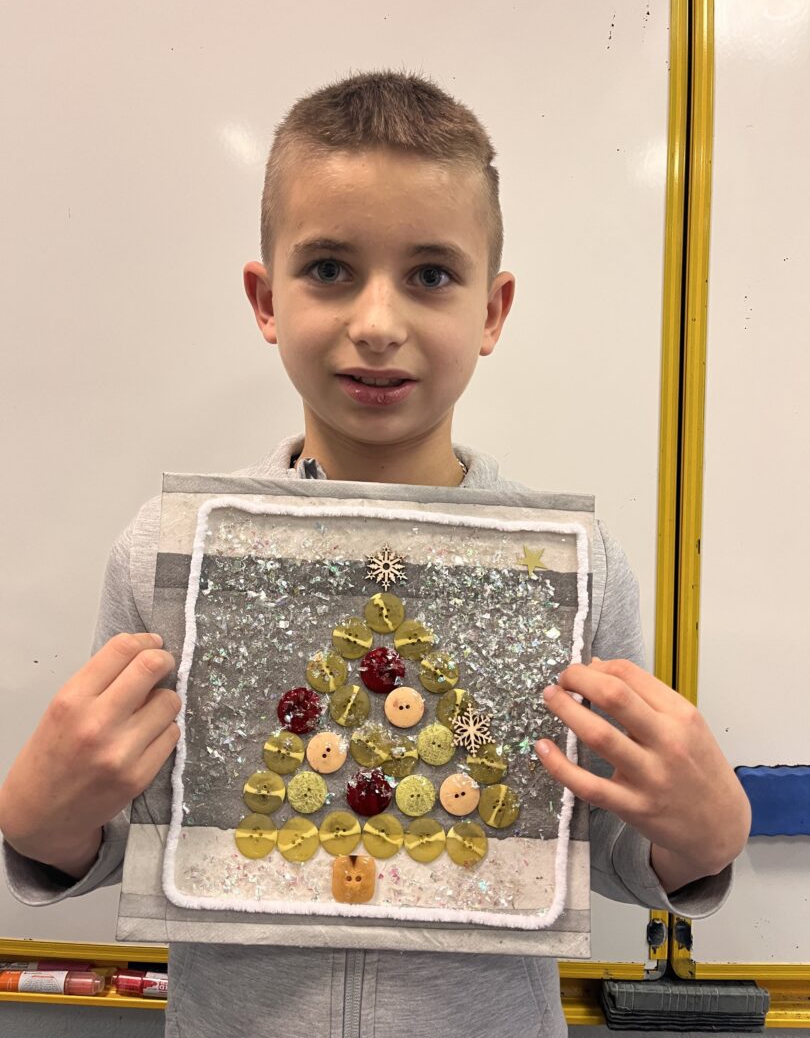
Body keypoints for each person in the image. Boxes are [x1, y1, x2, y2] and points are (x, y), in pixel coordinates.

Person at [0, 70, 750, 1037]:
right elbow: (134, 840)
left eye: (431, 275)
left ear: (492, 311)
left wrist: (703, 838)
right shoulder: (169, 554)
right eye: (329, 269)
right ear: (266, 300)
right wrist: (41, 824)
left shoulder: (575, 569)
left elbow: (600, 846)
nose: (378, 324)